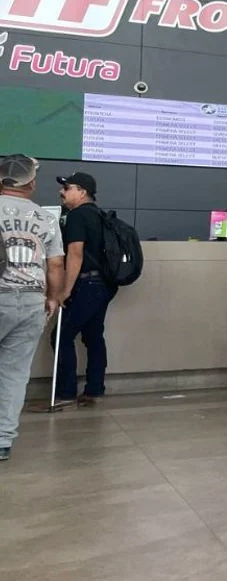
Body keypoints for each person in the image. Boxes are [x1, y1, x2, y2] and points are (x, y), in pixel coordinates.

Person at [0, 155, 64, 460]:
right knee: (13, 374)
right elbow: (55, 264)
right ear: (32, 184)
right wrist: (53, 297)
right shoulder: (47, 218)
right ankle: (2, 440)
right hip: (31, 301)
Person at [49, 172, 117, 409]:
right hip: (104, 285)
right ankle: (94, 390)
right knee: (93, 336)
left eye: (67, 188)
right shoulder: (99, 215)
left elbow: (75, 253)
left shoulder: (77, 216)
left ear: (82, 192)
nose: (62, 192)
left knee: (61, 336)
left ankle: (66, 393)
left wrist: (64, 290)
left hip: (86, 284)